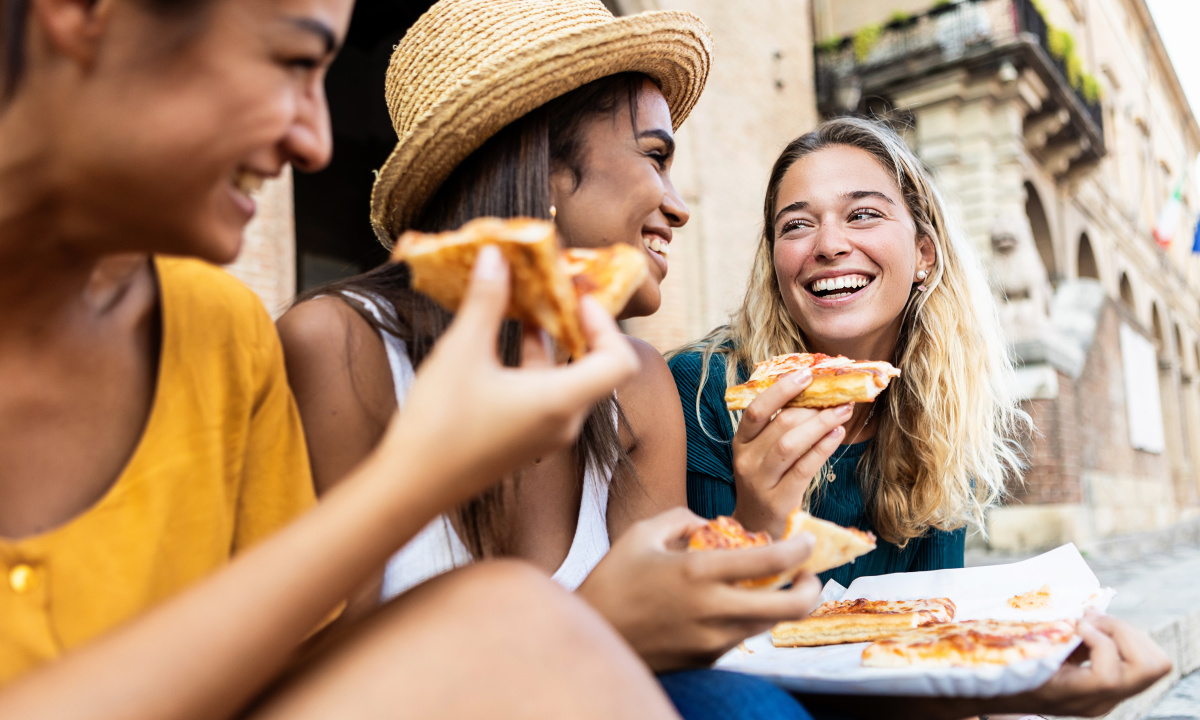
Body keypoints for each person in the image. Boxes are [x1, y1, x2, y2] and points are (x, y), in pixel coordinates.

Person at [0, 0, 685, 718]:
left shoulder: (224, 335)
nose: (316, 145)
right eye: (294, 61)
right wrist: (421, 480)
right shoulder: (320, 345)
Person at [280, 0, 824, 716]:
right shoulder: (339, 348)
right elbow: (315, 687)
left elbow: (672, 661)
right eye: (655, 157)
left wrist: (760, 524)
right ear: (542, 173)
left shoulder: (635, 383)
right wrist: (587, 625)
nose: (679, 204)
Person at [667, 116, 1171, 717]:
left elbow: (926, 655)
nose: (827, 243)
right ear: (777, 263)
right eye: (796, 225)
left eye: (863, 214)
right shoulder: (704, 393)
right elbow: (681, 656)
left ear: (923, 253)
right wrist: (759, 516)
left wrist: (1019, 681)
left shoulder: (939, 417)